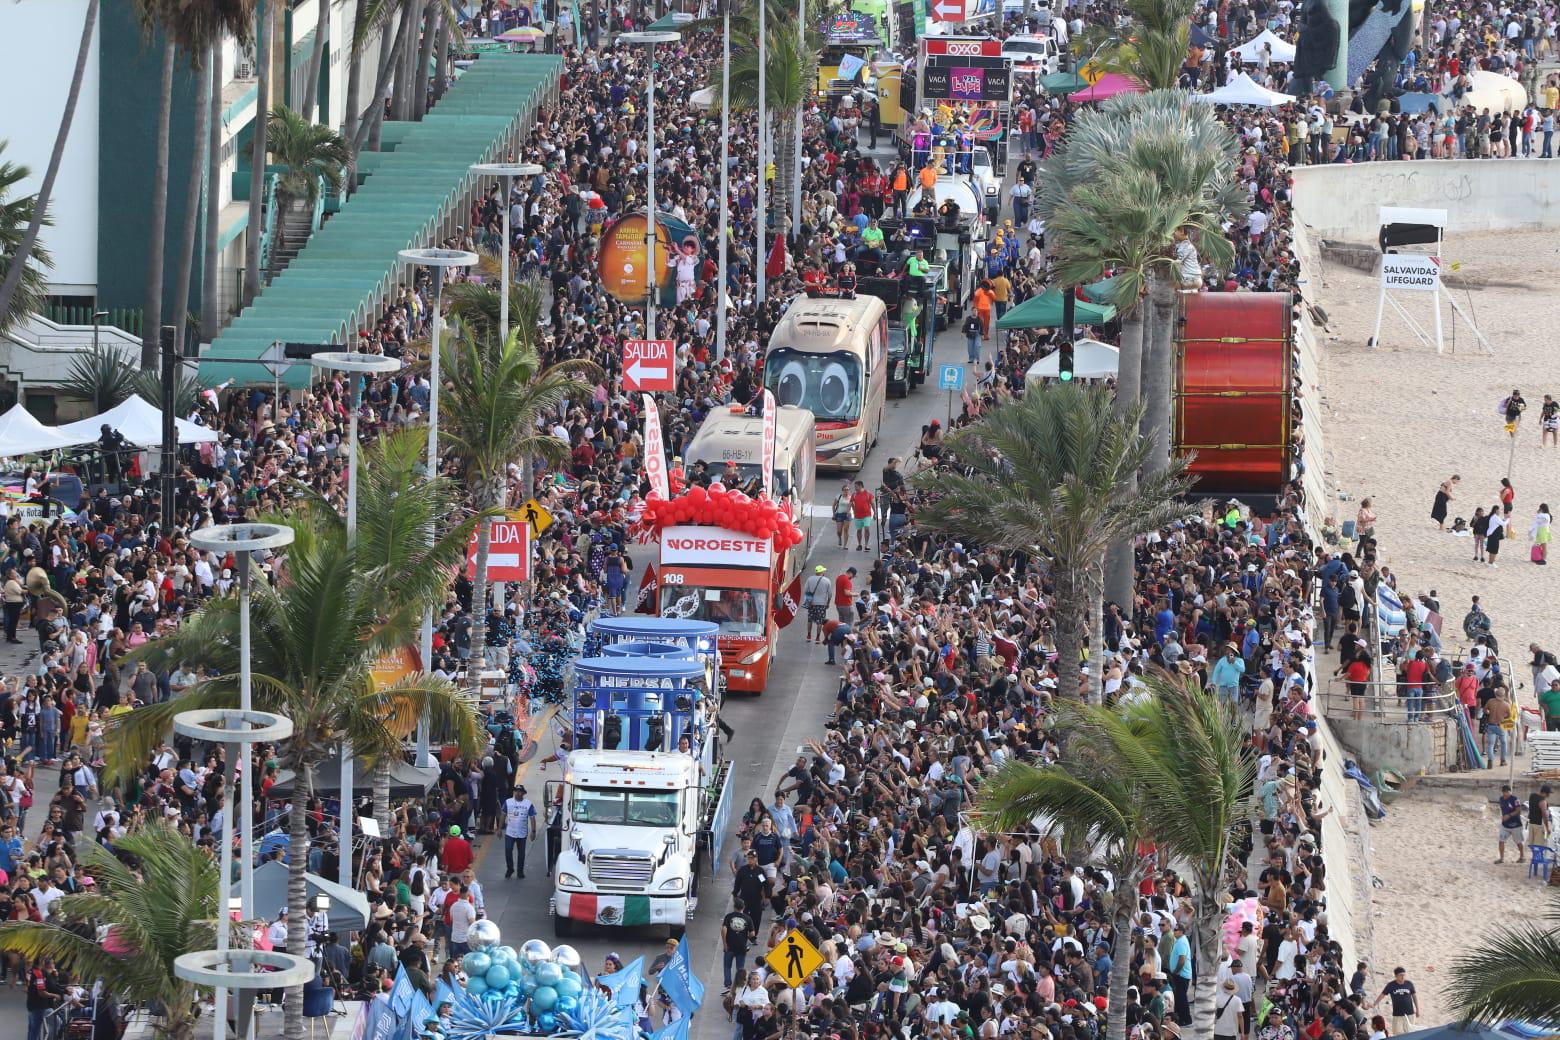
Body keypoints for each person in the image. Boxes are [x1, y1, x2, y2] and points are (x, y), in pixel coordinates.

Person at [1369, 967, 1419, 1034]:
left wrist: (1417, 1009)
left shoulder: (1409, 984)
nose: (1403, 977)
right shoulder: (1391, 985)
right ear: (1396, 976)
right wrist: (1374, 1004)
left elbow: (1414, 996)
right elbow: (1382, 995)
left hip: (1410, 1013)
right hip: (1397, 1013)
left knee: (1410, 1033)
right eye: (1400, 975)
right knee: (1396, 1033)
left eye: (1404, 975)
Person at [502, 784, 536, 879]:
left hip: (522, 833)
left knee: (521, 854)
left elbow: (532, 817)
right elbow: (503, 814)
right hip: (510, 833)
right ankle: (510, 869)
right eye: (516, 791)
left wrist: (533, 831)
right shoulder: (508, 802)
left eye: (520, 791)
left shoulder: (528, 804)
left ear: (523, 793)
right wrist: (499, 829)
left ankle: (520, 871)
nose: (518, 793)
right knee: (508, 851)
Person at [721, 898, 755, 988]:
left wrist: (724, 943)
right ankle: (738, 985)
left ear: (734, 907)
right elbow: (752, 934)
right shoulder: (748, 918)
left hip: (729, 946)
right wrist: (746, 936)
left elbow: (724, 929)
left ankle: (728, 985)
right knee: (740, 968)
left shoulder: (729, 916)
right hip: (741, 947)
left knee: (727, 966)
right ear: (743, 907)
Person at [1497, 783, 1526, 863]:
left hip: (1516, 825)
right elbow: (1502, 809)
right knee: (1501, 841)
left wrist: (1509, 815)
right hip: (1505, 825)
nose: (1505, 794)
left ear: (1510, 791)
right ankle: (1501, 859)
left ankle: (1522, 856)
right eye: (1504, 793)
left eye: (1507, 792)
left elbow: (1518, 810)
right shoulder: (1501, 799)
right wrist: (1503, 817)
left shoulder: (1515, 799)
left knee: (1518, 842)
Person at [801, 565, 831, 644]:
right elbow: (830, 594)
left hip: (811, 603)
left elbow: (806, 590)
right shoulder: (827, 580)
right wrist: (828, 603)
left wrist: (809, 600)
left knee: (810, 619)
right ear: (822, 572)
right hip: (822, 604)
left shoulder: (810, 579)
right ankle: (817, 638)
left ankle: (808, 636)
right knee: (820, 621)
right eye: (823, 571)